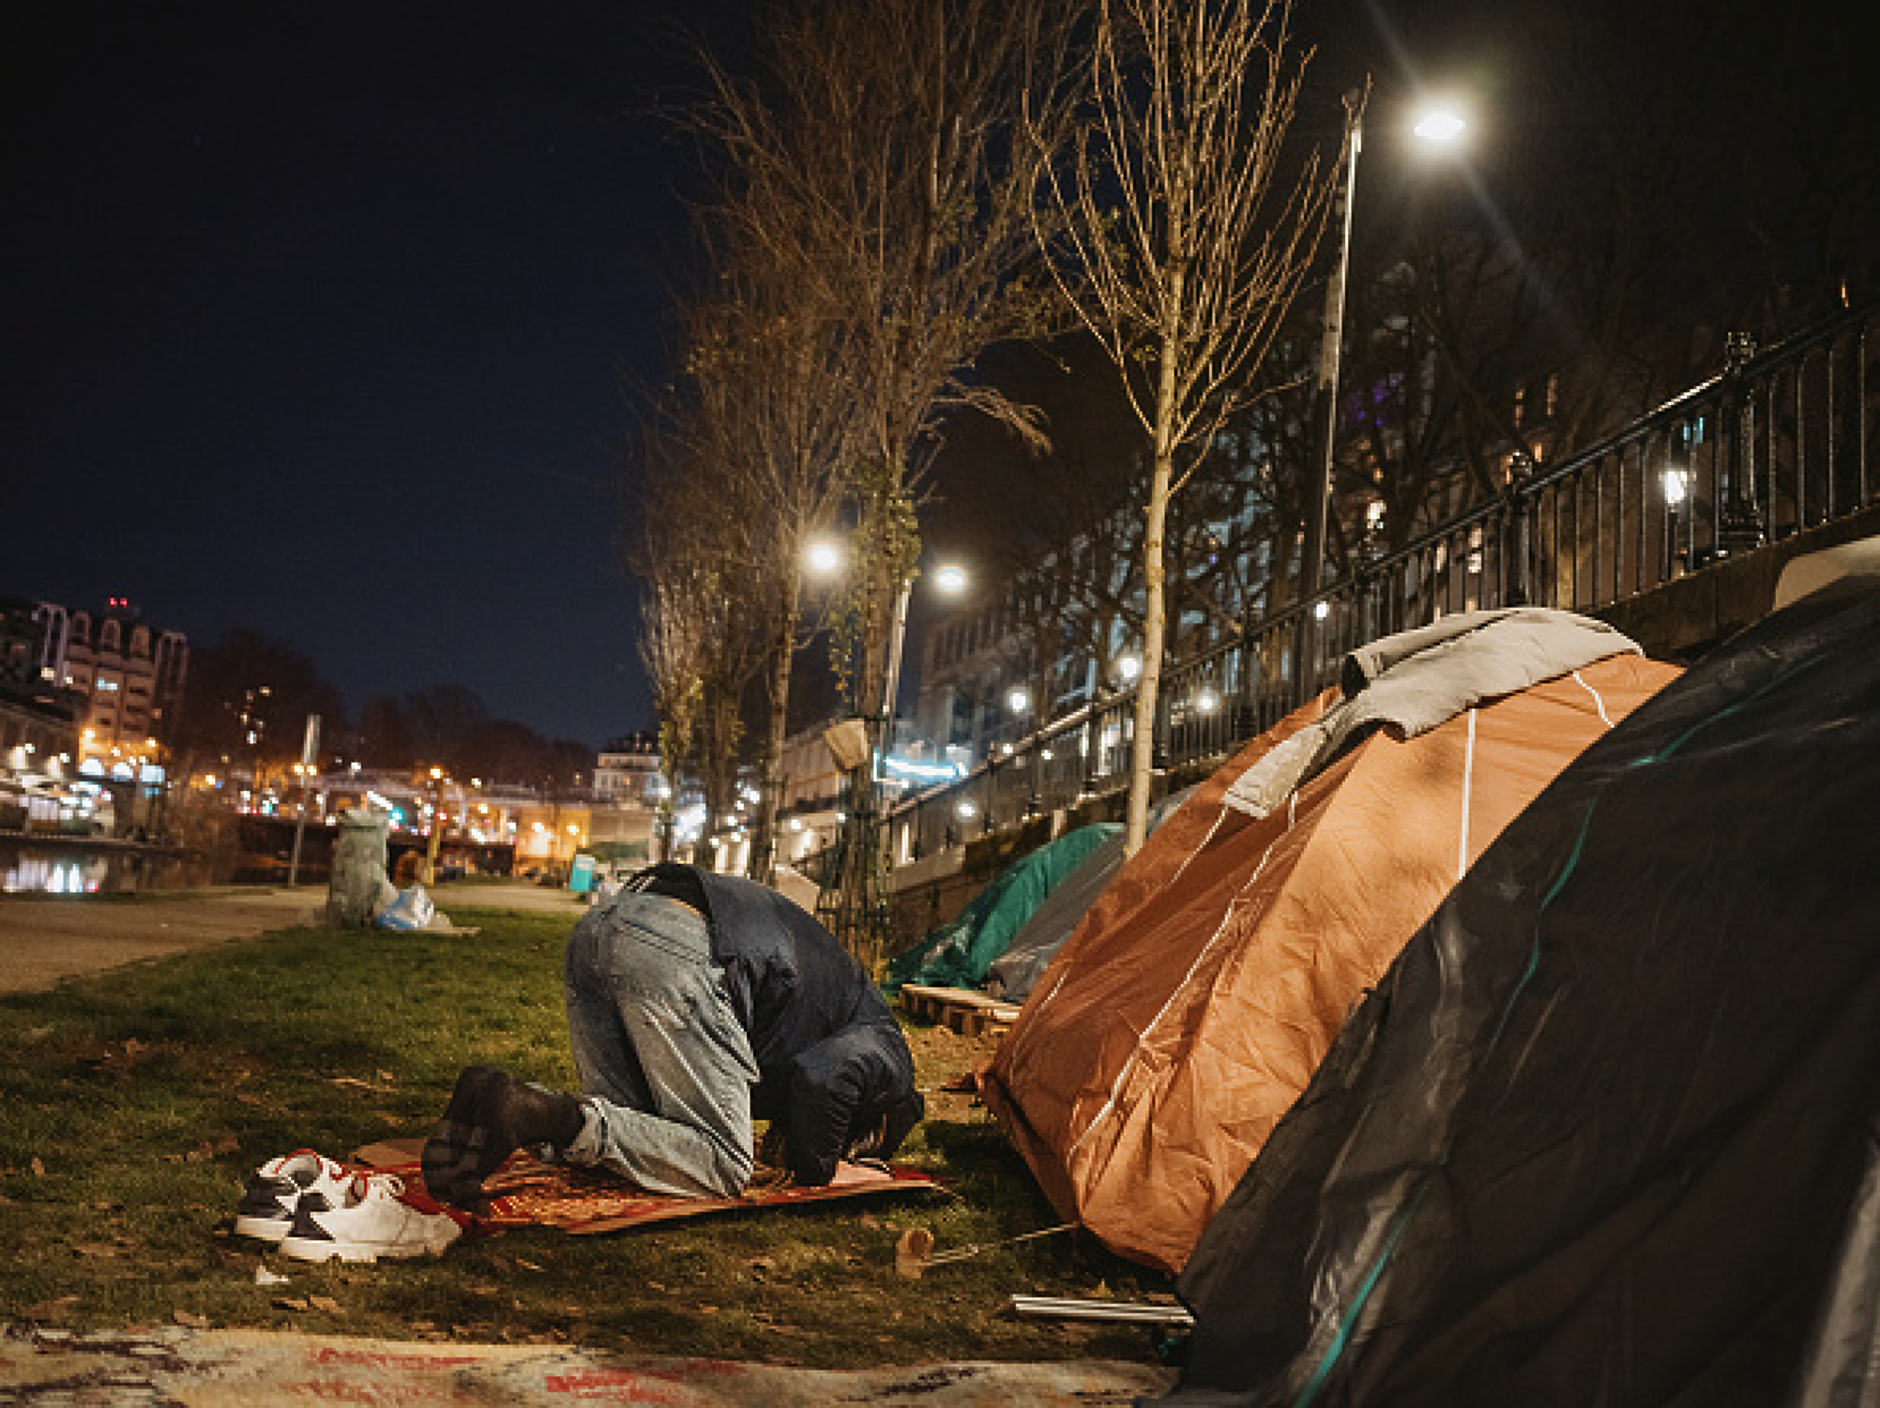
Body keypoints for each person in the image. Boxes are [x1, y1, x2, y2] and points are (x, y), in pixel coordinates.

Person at [421, 862, 923, 1210]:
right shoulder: (888, 1047)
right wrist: (818, 1172)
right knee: (725, 1165)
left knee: (632, 1142)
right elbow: (824, 1081)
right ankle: (540, 1115)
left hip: (606, 925)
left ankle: (514, 1105)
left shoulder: (841, 1000)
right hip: (677, 944)